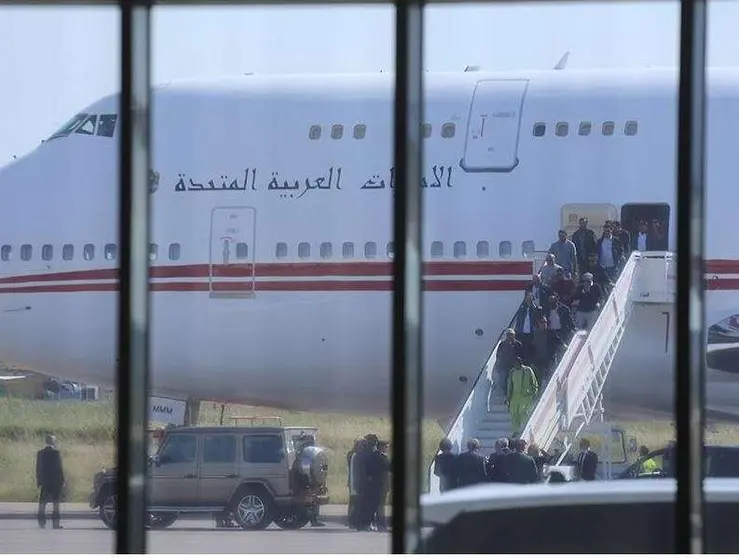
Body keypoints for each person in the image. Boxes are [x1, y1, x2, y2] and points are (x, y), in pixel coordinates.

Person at [36, 434, 65, 529]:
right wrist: (62, 481)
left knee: (42, 504)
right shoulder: (56, 452)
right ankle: (55, 524)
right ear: (53, 442)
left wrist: (39, 481)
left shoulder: (40, 453)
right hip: (55, 482)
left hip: (45, 482)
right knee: (56, 504)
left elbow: (38, 468)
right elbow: (59, 468)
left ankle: (41, 523)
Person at [507, 357, 540, 433]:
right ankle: (516, 431)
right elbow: (509, 386)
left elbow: (534, 382)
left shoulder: (527, 370)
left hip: (526, 396)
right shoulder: (512, 372)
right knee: (514, 414)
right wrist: (508, 398)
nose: (516, 365)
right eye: (514, 364)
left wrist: (534, 393)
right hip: (515, 397)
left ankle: (526, 430)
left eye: (517, 363)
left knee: (524, 413)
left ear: (520, 363)